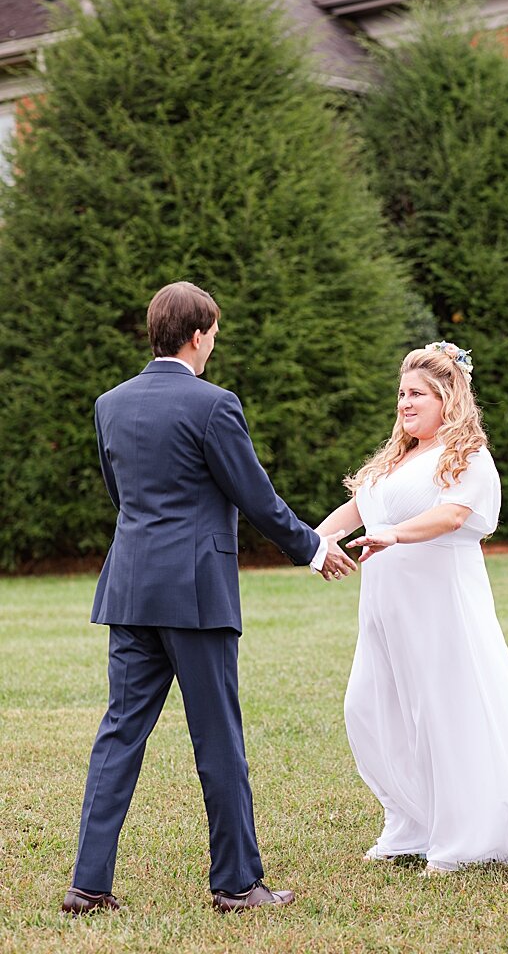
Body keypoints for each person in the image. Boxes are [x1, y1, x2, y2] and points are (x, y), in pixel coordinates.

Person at [63, 282, 357, 917]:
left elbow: (123, 496)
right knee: (218, 739)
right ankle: (237, 886)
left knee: (118, 735)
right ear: (198, 336)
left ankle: (88, 886)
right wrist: (311, 547)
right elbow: (255, 496)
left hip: (132, 589)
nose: (214, 345)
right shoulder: (214, 405)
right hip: (196, 593)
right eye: (214, 334)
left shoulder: (109, 404)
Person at [317, 342, 508, 872]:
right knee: (371, 709)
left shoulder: (467, 457)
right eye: (401, 393)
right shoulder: (395, 460)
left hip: (440, 608)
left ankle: (462, 836)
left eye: (417, 394)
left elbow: (455, 516)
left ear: (447, 397)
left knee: (442, 713)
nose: (404, 403)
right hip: (385, 613)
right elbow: (354, 510)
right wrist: (314, 542)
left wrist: (392, 535)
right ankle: (411, 821)